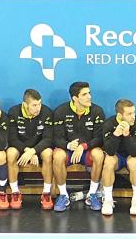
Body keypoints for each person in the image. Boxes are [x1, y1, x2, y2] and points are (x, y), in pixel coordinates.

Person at [52, 81, 106, 212]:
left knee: (99, 154)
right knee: (58, 155)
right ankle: (63, 195)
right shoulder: (61, 111)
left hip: (87, 150)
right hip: (68, 151)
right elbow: (55, 138)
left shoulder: (97, 111)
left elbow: (100, 138)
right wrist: (67, 145)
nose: (89, 97)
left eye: (89, 93)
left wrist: (84, 146)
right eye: (85, 94)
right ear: (75, 98)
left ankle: (92, 194)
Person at [6, 89, 54, 210]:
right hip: (21, 147)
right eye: (34, 105)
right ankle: (15, 192)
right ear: (24, 105)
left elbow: (48, 139)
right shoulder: (14, 112)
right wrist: (27, 150)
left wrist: (33, 151)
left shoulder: (47, 112)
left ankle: (46, 192)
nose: (38, 108)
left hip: (39, 148)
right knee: (10, 153)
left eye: (39, 104)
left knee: (48, 153)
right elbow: (12, 139)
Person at [100, 99, 136, 216]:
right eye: (129, 114)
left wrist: (126, 135)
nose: (133, 116)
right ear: (120, 115)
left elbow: (134, 151)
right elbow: (109, 151)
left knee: (133, 162)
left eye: (134, 112)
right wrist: (116, 134)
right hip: (116, 155)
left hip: (132, 154)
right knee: (109, 161)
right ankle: (108, 200)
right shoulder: (108, 124)